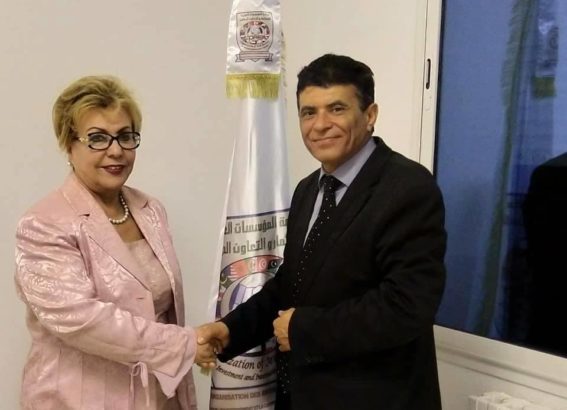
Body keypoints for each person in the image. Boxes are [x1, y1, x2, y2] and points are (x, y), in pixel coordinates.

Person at [198, 54, 447, 410]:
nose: (320, 125)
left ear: (370, 115)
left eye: (336, 109)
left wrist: (303, 330)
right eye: (308, 112)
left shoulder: (408, 188)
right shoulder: (308, 189)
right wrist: (230, 330)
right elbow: (293, 284)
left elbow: (407, 305)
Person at [14, 75, 214, 409]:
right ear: (69, 144)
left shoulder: (151, 210)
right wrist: (184, 344)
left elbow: (161, 311)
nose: (116, 150)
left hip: (159, 398)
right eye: (97, 138)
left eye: (125, 136)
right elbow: (82, 320)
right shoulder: (43, 224)